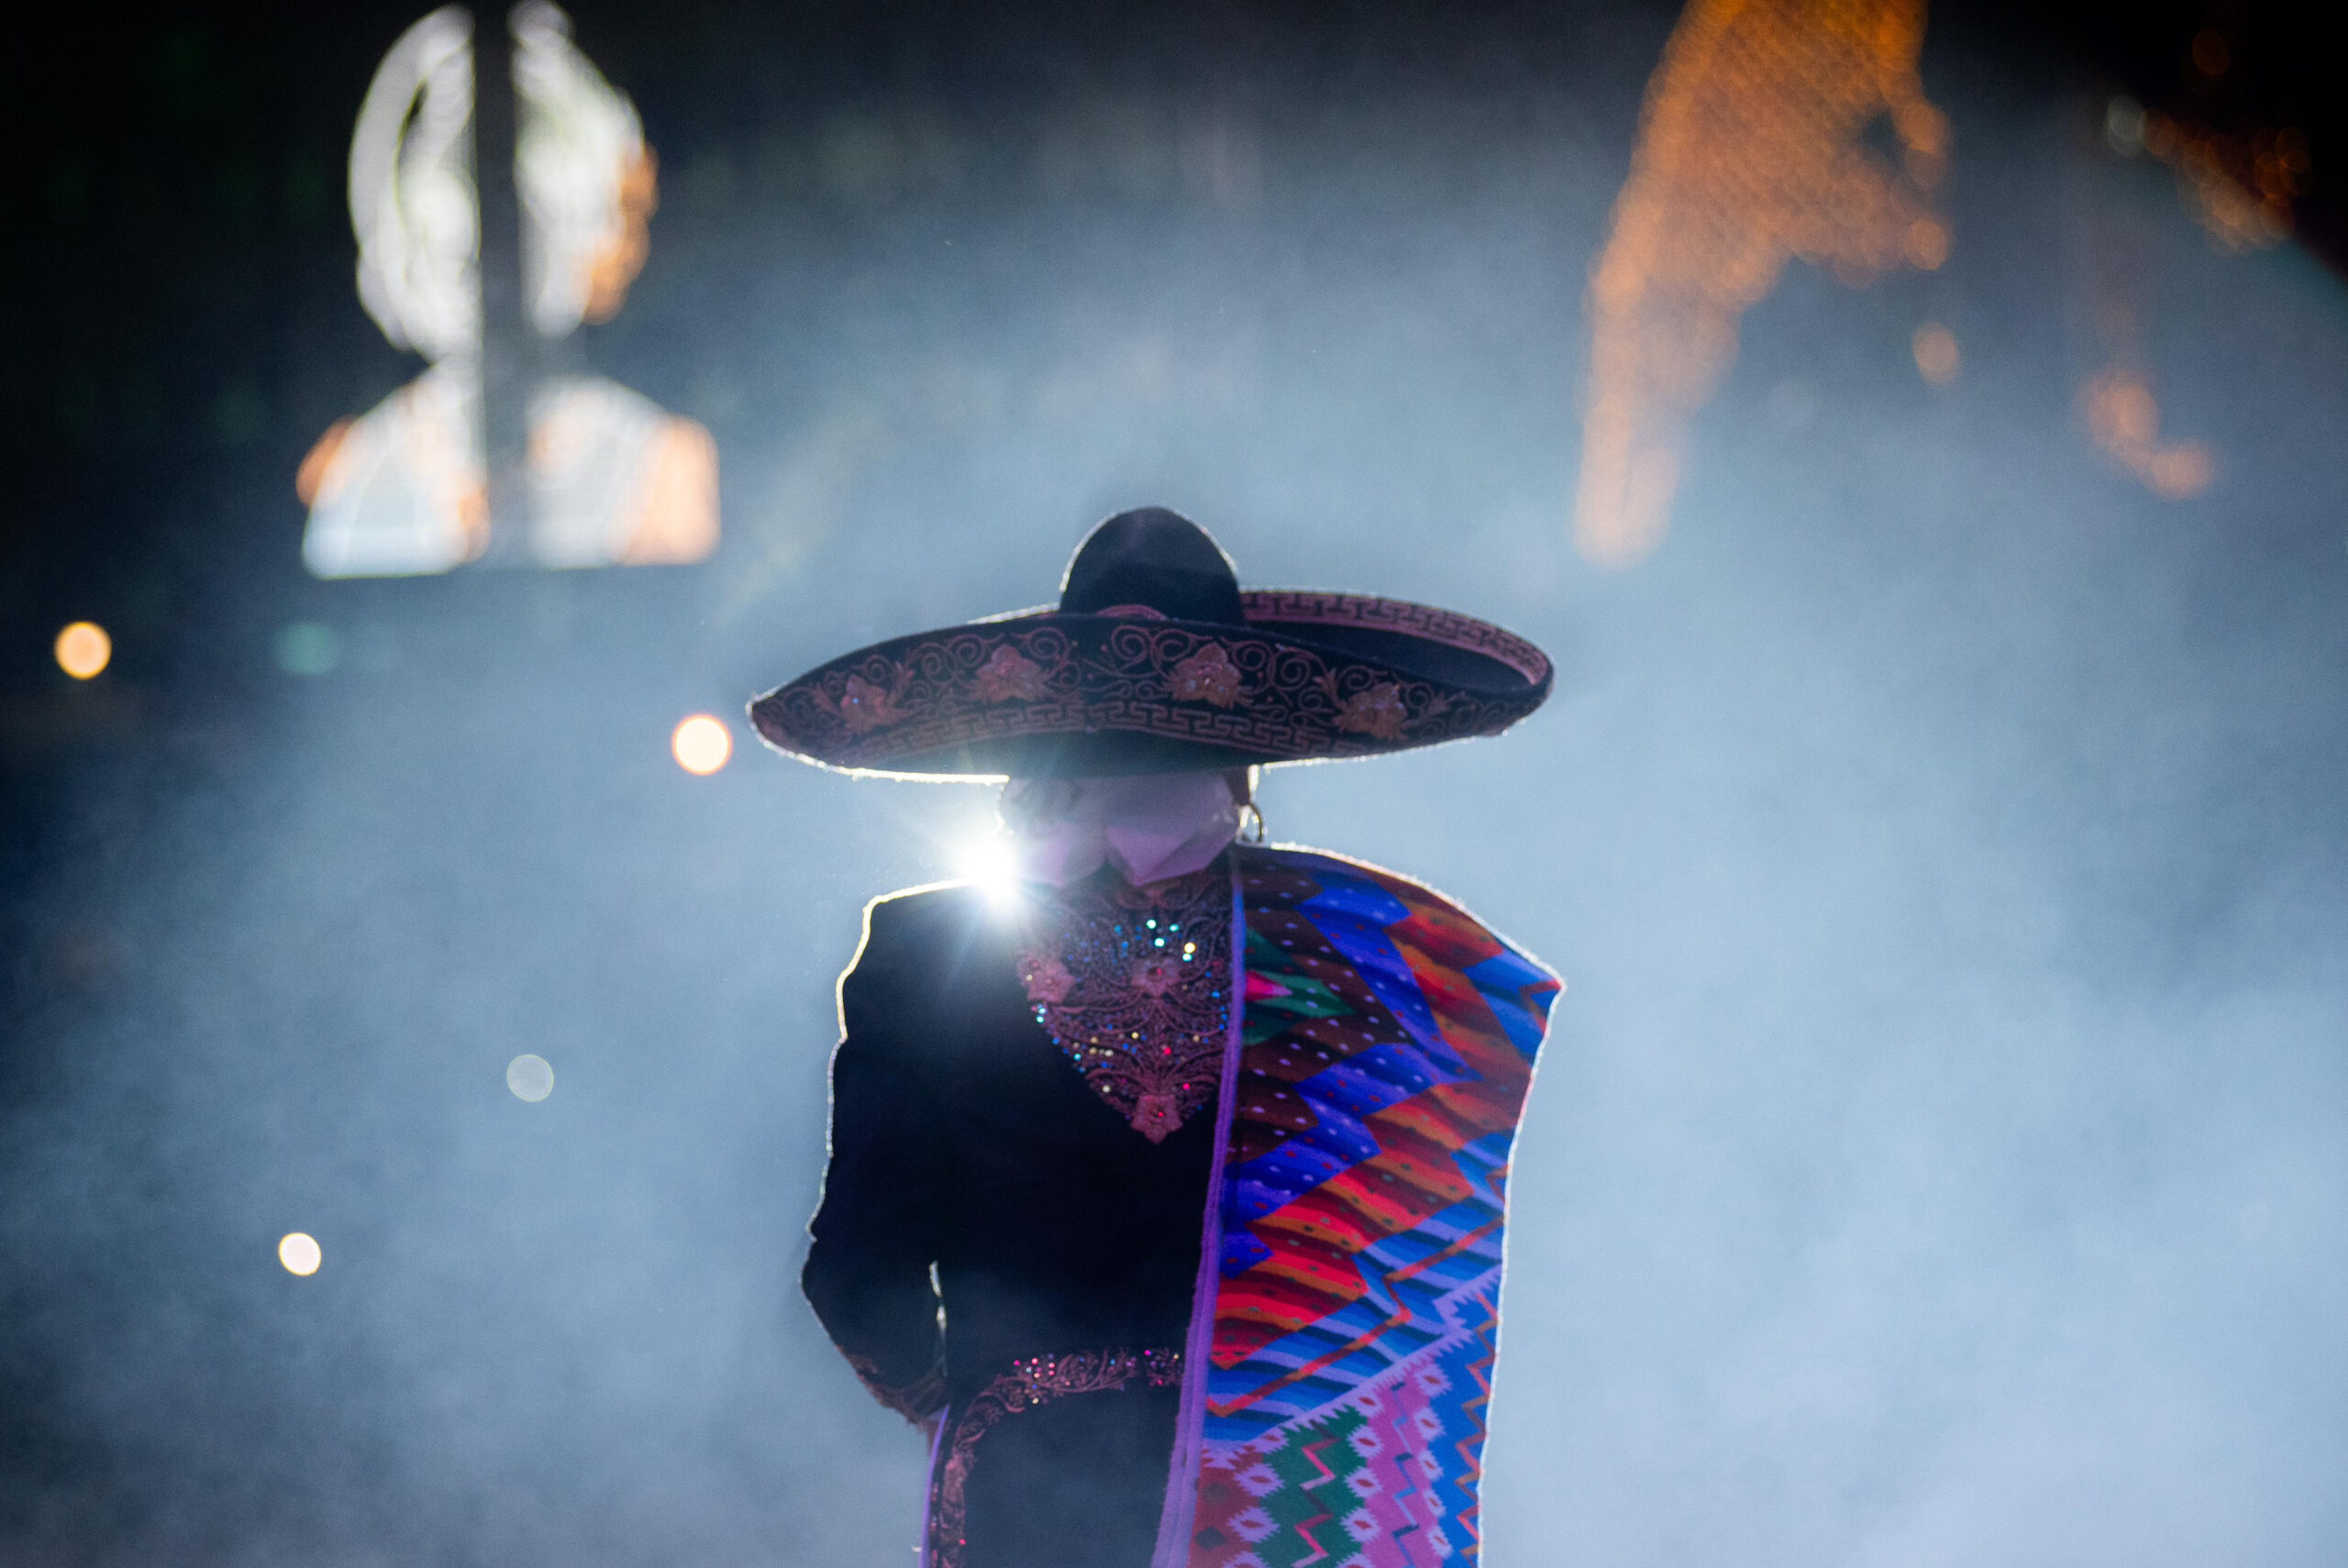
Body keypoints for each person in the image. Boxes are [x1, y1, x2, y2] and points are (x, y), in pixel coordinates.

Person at [751, 507, 1562, 1568]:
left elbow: (859, 1278)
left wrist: (974, 1406)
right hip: (1284, 1499)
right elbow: (1397, 1280)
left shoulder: (922, 953)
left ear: (1033, 738)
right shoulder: (1351, 955)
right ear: (1246, 755)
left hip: (1028, 1497)